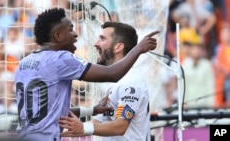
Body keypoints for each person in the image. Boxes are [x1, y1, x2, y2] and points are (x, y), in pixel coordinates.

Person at [14, 8, 159, 141]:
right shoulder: (61, 58)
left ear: (118, 46)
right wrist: (139, 48)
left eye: (102, 38)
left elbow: (50, 111)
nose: (76, 34)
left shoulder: (25, 63)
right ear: (58, 36)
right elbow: (113, 74)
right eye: (70, 30)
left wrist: (92, 111)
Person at [59, 21, 152, 141]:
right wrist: (64, 132)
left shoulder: (131, 82)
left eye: (102, 39)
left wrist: (83, 127)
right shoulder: (115, 82)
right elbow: (99, 122)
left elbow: (120, 126)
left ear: (118, 47)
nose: (96, 43)